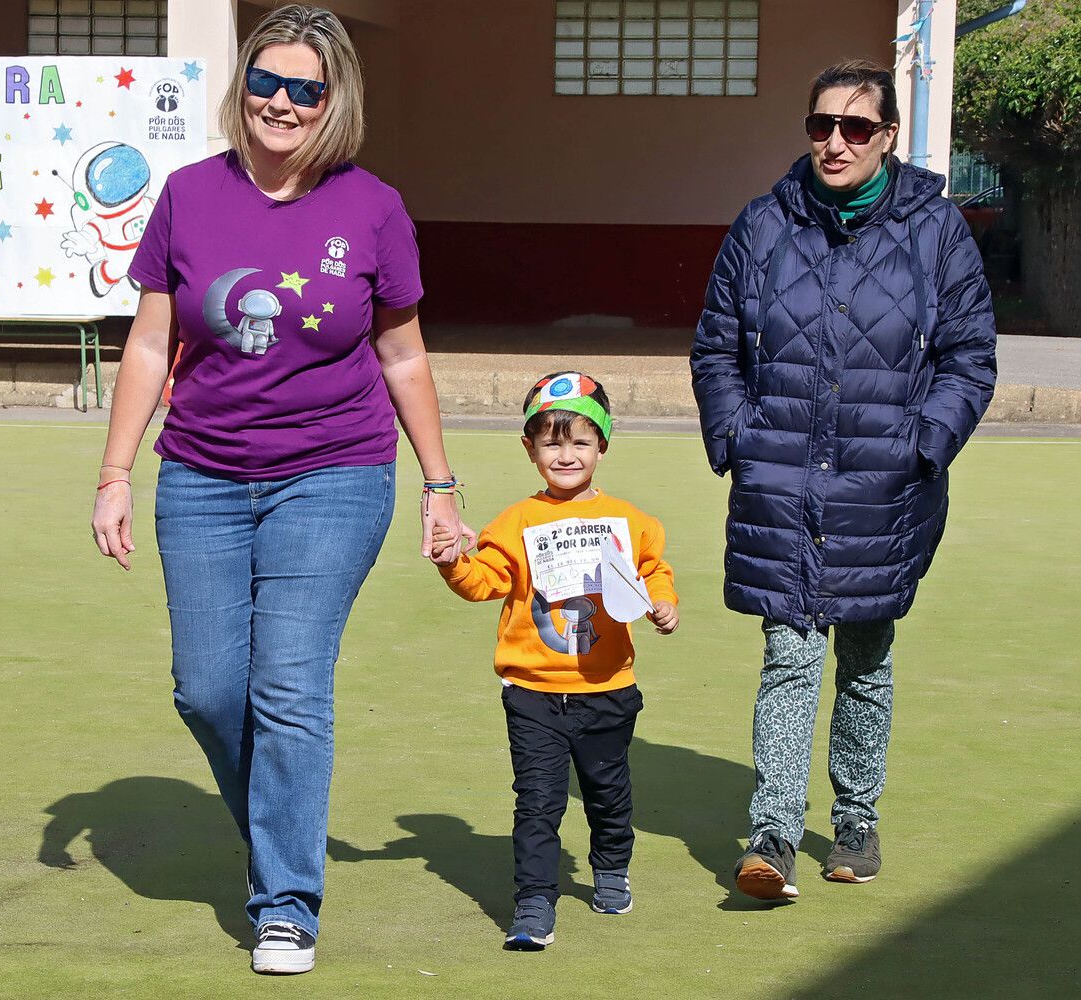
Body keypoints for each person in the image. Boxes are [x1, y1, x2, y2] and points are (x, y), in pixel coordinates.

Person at [89, 4, 473, 975]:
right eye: (268, 81)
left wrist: (440, 485)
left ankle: (286, 903)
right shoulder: (185, 197)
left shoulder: (373, 208)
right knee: (210, 689)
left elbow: (403, 354)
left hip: (335, 472)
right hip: (204, 474)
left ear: (334, 98)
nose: (283, 102)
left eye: (306, 88)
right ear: (242, 85)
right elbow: (147, 342)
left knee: (289, 684)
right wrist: (115, 471)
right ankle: (275, 828)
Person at [690, 59, 997, 901]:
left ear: (888, 136)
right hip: (780, 478)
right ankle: (775, 833)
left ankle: (856, 819)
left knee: (866, 653)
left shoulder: (937, 231)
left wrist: (924, 444)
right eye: (821, 126)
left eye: (856, 128)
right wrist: (737, 438)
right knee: (788, 654)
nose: (835, 143)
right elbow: (717, 346)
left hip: (885, 483)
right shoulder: (762, 226)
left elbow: (968, 356)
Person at [430, 373, 678, 950]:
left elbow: (652, 571)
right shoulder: (515, 522)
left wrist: (662, 603)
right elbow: (483, 582)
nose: (566, 455)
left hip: (609, 689)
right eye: (551, 442)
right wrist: (451, 561)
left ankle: (611, 868)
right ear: (530, 449)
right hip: (532, 693)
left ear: (603, 446)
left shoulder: (630, 520)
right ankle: (534, 901)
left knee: (607, 792)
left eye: (580, 442)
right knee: (537, 802)